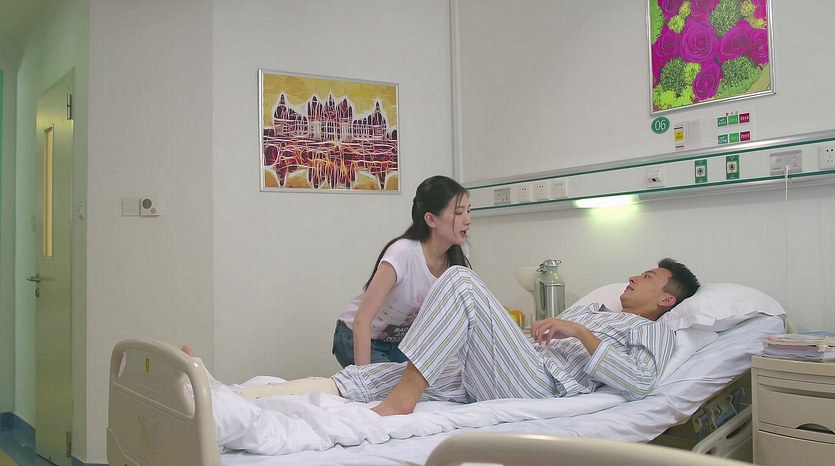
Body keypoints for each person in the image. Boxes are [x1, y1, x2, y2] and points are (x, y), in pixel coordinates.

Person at [191, 258, 699, 417]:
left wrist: (582, 333)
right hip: (511, 367)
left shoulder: (651, 331)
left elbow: (640, 383)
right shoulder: (589, 307)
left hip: (542, 385)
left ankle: (403, 402)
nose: (633, 278)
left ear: (666, 300)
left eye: (648, 277)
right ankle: (225, 395)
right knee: (370, 378)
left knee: (460, 280)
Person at [332, 175, 472, 368]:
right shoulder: (402, 253)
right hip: (356, 335)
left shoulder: (459, 254)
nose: (468, 220)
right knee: (385, 385)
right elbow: (361, 321)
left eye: (469, 211)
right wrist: (364, 378)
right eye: (459, 212)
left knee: (428, 382)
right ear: (431, 219)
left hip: (400, 344)